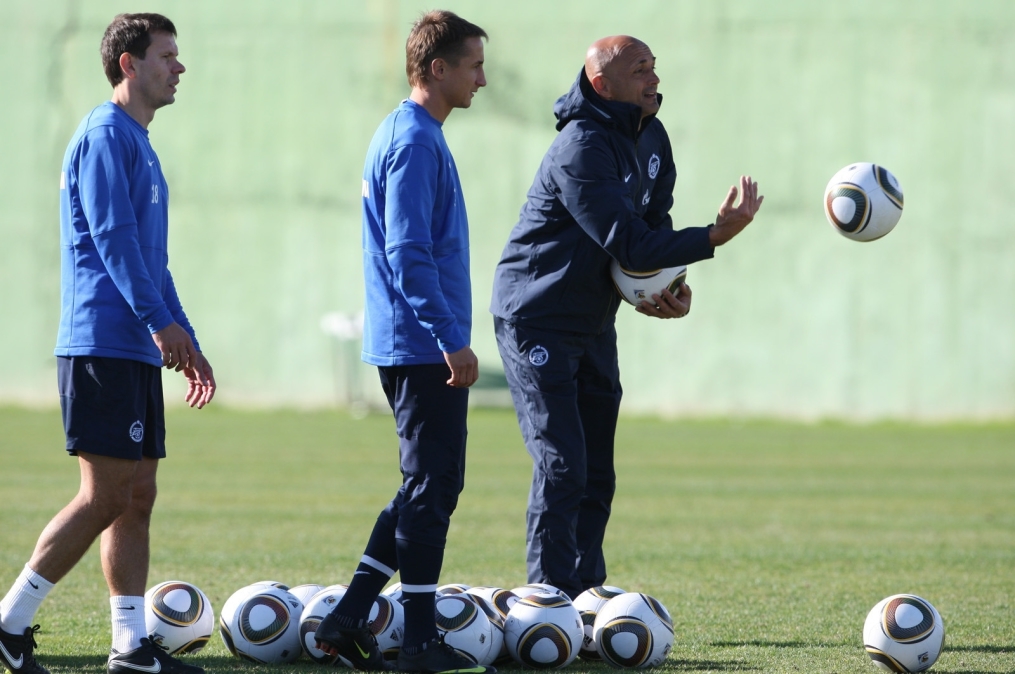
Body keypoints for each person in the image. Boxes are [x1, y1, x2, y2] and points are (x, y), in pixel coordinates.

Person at [489, 35, 764, 602]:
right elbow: (629, 244)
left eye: (654, 68)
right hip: (535, 317)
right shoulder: (580, 147)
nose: (653, 79)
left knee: (597, 475)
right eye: (640, 70)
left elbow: (651, 239)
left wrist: (672, 289)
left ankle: (584, 596)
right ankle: (547, 602)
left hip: (592, 323)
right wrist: (714, 236)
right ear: (602, 84)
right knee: (563, 465)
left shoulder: (653, 138)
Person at [0, 13, 215, 674]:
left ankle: (129, 645)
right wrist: (158, 323)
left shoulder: (140, 143)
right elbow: (114, 244)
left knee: (137, 493)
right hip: (102, 341)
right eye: (166, 56)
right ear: (129, 63)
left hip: (134, 347)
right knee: (103, 495)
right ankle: (7, 624)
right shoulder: (103, 136)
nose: (178, 67)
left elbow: (156, 260)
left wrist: (186, 336)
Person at [313, 11, 492, 674]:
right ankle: (417, 641)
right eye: (473, 64)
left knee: (429, 484)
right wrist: (450, 337)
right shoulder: (415, 140)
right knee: (431, 486)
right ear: (436, 68)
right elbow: (407, 254)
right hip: (421, 346)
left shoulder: (405, 130)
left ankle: (347, 616)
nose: (483, 78)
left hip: (412, 341)